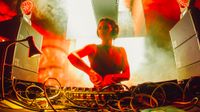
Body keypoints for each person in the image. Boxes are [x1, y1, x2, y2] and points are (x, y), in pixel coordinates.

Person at [68, 17, 130, 88]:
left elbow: (127, 75)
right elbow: (71, 56)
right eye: (99, 28)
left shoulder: (121, 50)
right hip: (98, 93)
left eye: (105, 27)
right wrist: (90, 72)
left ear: (114, 30)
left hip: (118, 93)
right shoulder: (92, 48)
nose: (102, 30)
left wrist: (111, 77)